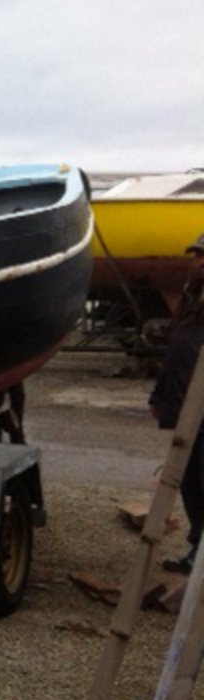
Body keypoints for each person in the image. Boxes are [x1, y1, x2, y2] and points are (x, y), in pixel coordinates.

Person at [149, 232, 204, 574]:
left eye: (203, 257)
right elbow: (175, 354)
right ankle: (197, 549)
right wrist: (159, 396)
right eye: (195, 256)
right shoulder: (189, 299)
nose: (197, 263)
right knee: (190, 483)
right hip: (185, 410)